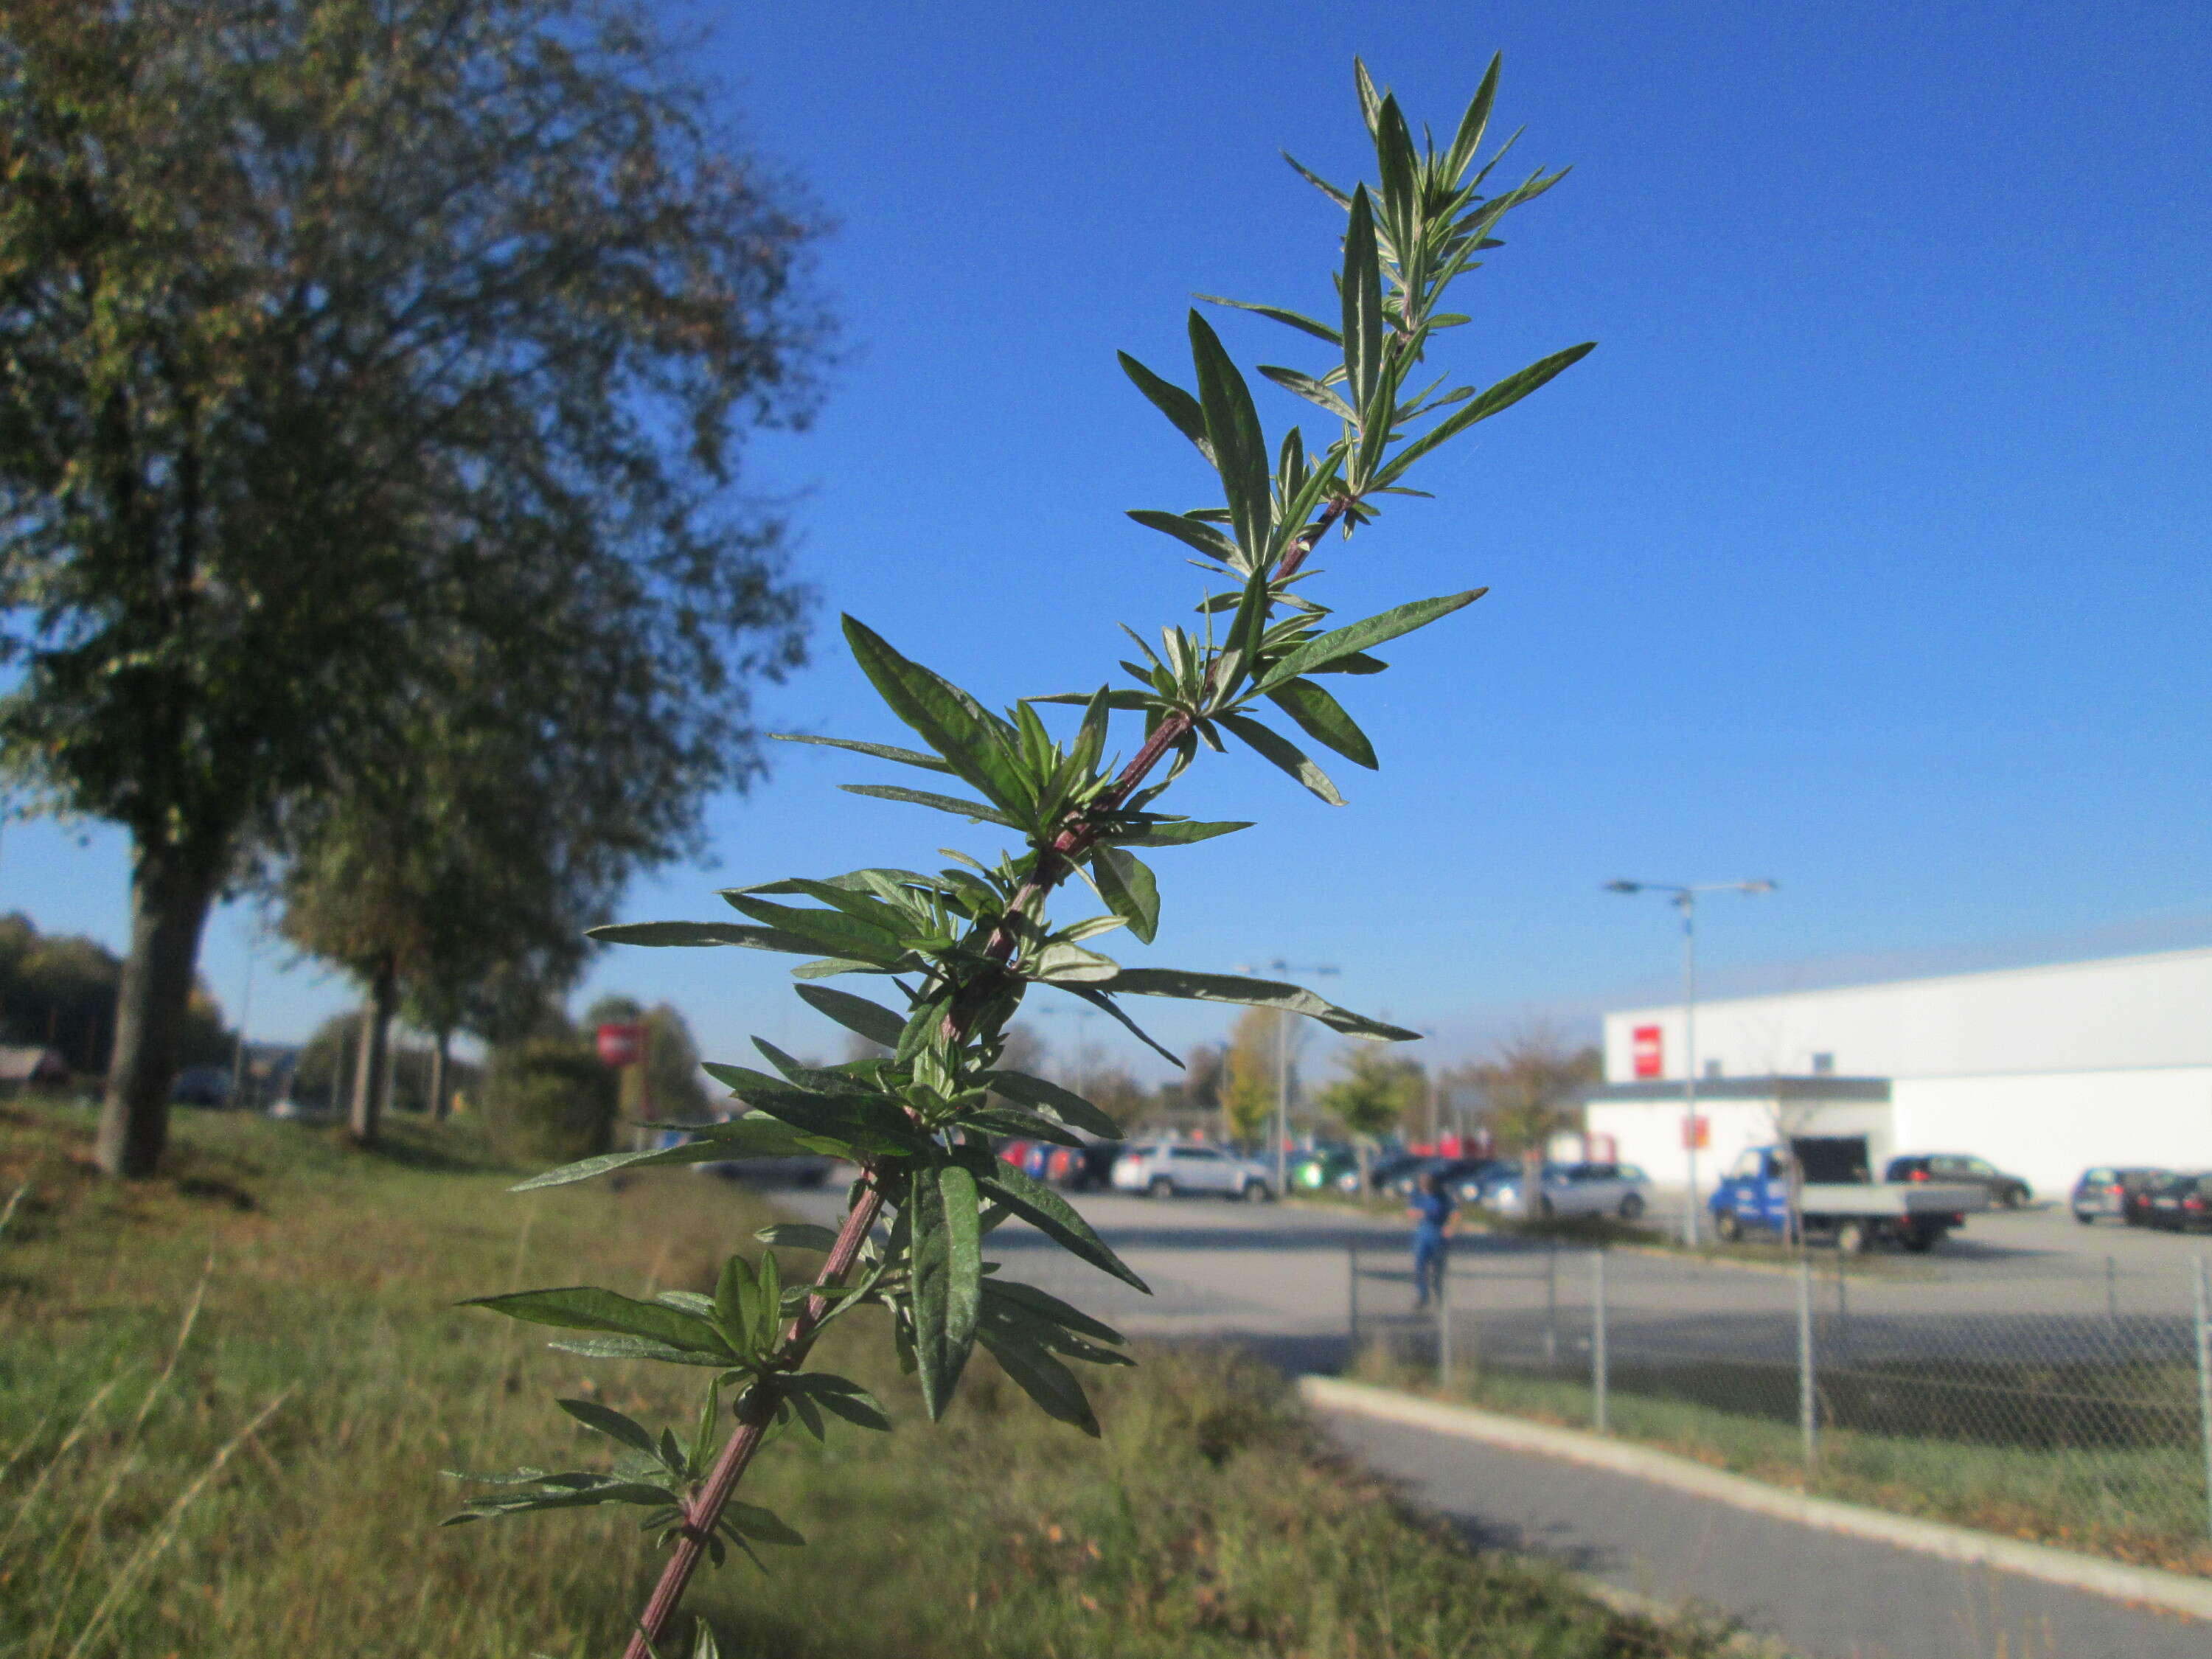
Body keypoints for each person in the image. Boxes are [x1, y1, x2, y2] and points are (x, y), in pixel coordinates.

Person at [1408, 1169, 1456, 1310]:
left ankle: (1439, 1295)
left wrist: (1450, 1227)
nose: (1425, 1185)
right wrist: (1419, 1213)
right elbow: (1410, 1211)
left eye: (1427, 1182)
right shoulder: (1418, 1195)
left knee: (1438, 1267)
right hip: (1423, 1233)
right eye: (1422, 1182)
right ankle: (1423, 1296)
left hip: (1438, 1233)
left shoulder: (1443, 1196)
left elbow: (1455, 1212)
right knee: (1420, 1265)